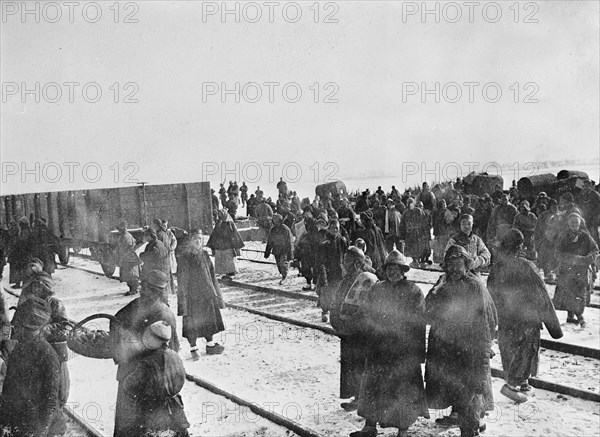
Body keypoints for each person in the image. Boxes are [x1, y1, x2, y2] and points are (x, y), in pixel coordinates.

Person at [351, 250, 429, 437]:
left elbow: (418, 322)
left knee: (402, 390)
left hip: (403, 351)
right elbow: (367, 313)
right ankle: (370, 426)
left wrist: (417, 352)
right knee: (373, 387)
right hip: (379, 348)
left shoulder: (413, 291)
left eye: (396, 268)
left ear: (403, 270)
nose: (392, 272)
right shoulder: (377, 289)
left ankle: (403, 429)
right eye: (389, 268)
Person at [425, 245, 497, 437]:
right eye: (451, 265)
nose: (455, 269)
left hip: (468, 346)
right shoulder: (442, 283)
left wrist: (483, 346)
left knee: (470, 390)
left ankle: (471, 427)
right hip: (447, 347)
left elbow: (484, 320)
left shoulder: (474, 286)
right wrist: (435, 292)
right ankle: (461, 417)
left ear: (467, 266)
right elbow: (427, 312)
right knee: (455, 388)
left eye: (459, 265)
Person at [487, 229, 563, 403]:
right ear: (520, 246)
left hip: (506, 320)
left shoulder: (496, 268)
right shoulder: (527, 266)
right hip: (527, 320)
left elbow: (490, 297)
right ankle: (512, 386)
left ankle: (523, 385)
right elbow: (542, 295)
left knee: (510, 351)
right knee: (526, 352)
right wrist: (554, 327)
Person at [111, 270, 180, 436]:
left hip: (152, 378)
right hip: (131, 372)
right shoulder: (137, 305)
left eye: (146, 287)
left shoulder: (163, 313)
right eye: (142, 285)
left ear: (156, 291)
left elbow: (172, 349)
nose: (142, 289)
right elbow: (116, 320)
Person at [1, 297, 66, 436]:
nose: (14, 328)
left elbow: (50, 403)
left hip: (43, 427)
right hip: (21, 421)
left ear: (29, 329)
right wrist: (4, 423)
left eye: (18, 325)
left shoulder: (48, 356)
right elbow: (8, 389)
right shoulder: (19, 349)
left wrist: (39, 433)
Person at [118, 321, 190, 436]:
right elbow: (181, 378)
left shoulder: (146, 364)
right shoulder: (174, 355)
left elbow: (129, 385)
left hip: (152, 411)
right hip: (175, 408)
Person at [15, 271, 71, 413]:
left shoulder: (55, 303)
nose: (35, 288)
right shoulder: (28, 302)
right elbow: (17, 321)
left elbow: (65, 326)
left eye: (39, 285)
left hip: (54, 349)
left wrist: (45, 328)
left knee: (58, 387)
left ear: (46, 286)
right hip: (33, 348)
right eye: (33, 285)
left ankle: (57, 410)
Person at [330, 247, 370, 412]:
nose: (343, 264)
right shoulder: (346, 280)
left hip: (360, 332)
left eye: (346, 261)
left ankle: (362, 398)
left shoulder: (367, 279)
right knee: (350, 364)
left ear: (357, 263)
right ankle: (356, 396)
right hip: (346, 331)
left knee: (360, 364)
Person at [177, 229, 226, 354]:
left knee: (209, 320)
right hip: (193, 297)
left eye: (200, 238)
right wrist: (183, 301)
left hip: (207, 295)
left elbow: (212, 275)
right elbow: (182, 280)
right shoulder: (185, 256)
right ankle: (194, 349)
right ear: (190, 241)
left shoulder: (204, 254)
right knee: (192, 323)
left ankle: (210, 345)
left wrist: (216, 294)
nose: (198, 241)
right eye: (195, 239)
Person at [552, 213, 599, 328]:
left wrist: (587, 259)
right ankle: (574, 316)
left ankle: (577, 315)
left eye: (576, 223)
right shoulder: (563, 236)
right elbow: (557, 253)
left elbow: (595, 250)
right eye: (572, 222)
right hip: (567, 269)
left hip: (581, 269)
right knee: (568, 292)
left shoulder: (585, 236)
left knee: (580, 293)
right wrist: (571, 259)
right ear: (568, 223)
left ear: (580, 224)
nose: (574, 225)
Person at [315, 219, 348, 322]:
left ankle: (336, 312)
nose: (334, 230)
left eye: (336, 228)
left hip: (339, 271)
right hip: (328, 271)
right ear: (328, 229)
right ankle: (325, 311)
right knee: (326, 292)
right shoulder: (324, 244)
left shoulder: (342, 241)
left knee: (339, 291)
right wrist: (323, 275)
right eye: (332, 228)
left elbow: (346, 256)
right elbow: (321, 262)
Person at [206, 209, 245, 280]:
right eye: (219, 215)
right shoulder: (218, 224)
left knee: (228, 260)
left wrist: (237, 247)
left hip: (228, 246)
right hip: (219, 246)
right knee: (222, 260)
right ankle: (225, 273)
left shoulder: (230, 224)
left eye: (222, 215)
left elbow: (235, 235)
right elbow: (214, 235)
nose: (220, 216)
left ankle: (230, 273)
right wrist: (212, 246)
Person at [140, 227, 171, 302]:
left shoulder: (156, 245)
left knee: (160, 294)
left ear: (150, 236)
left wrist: (142, 255)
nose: (144, 237)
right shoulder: (155, 243)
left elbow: (152, 256)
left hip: (159, 272)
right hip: (160, 272)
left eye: (145, 235)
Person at [353, 211, 387, 275]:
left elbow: (366, 247)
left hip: (371, 257)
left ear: (363, 221)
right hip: (379, 256)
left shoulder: (366, 232)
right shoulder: (377, 229)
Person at [265, 214, 294, 285]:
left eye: (274, 219)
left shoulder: (285, 229)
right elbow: (270, 241)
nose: (273, 221)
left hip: (284, 250)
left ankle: (284, 277)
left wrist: (290, 254)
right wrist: (267, 251)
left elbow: (289, 241)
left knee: (283, 263)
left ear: (279, 221)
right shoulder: (273, 229)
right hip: (276, 250)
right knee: (279, 264)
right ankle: (283, 274)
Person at [115, 220, 142, 296]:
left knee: (132, 275)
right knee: (129, 275)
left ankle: (134, 290)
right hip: (127, 259)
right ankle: (132, 289)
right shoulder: (125, 236)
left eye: (119, 228)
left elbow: (126, 248)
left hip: (129, 259)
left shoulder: (126, 236)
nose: (118, 230)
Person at [8, 216, 33, 288]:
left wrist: (16, 244)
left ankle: (21, 283)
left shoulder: (25, 231)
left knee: (21, 267)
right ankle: (20, 283)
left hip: (23, 253)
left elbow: (22, 241)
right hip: (22, 252)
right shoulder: (24, 231)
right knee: (21, 267)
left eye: (20, 223)